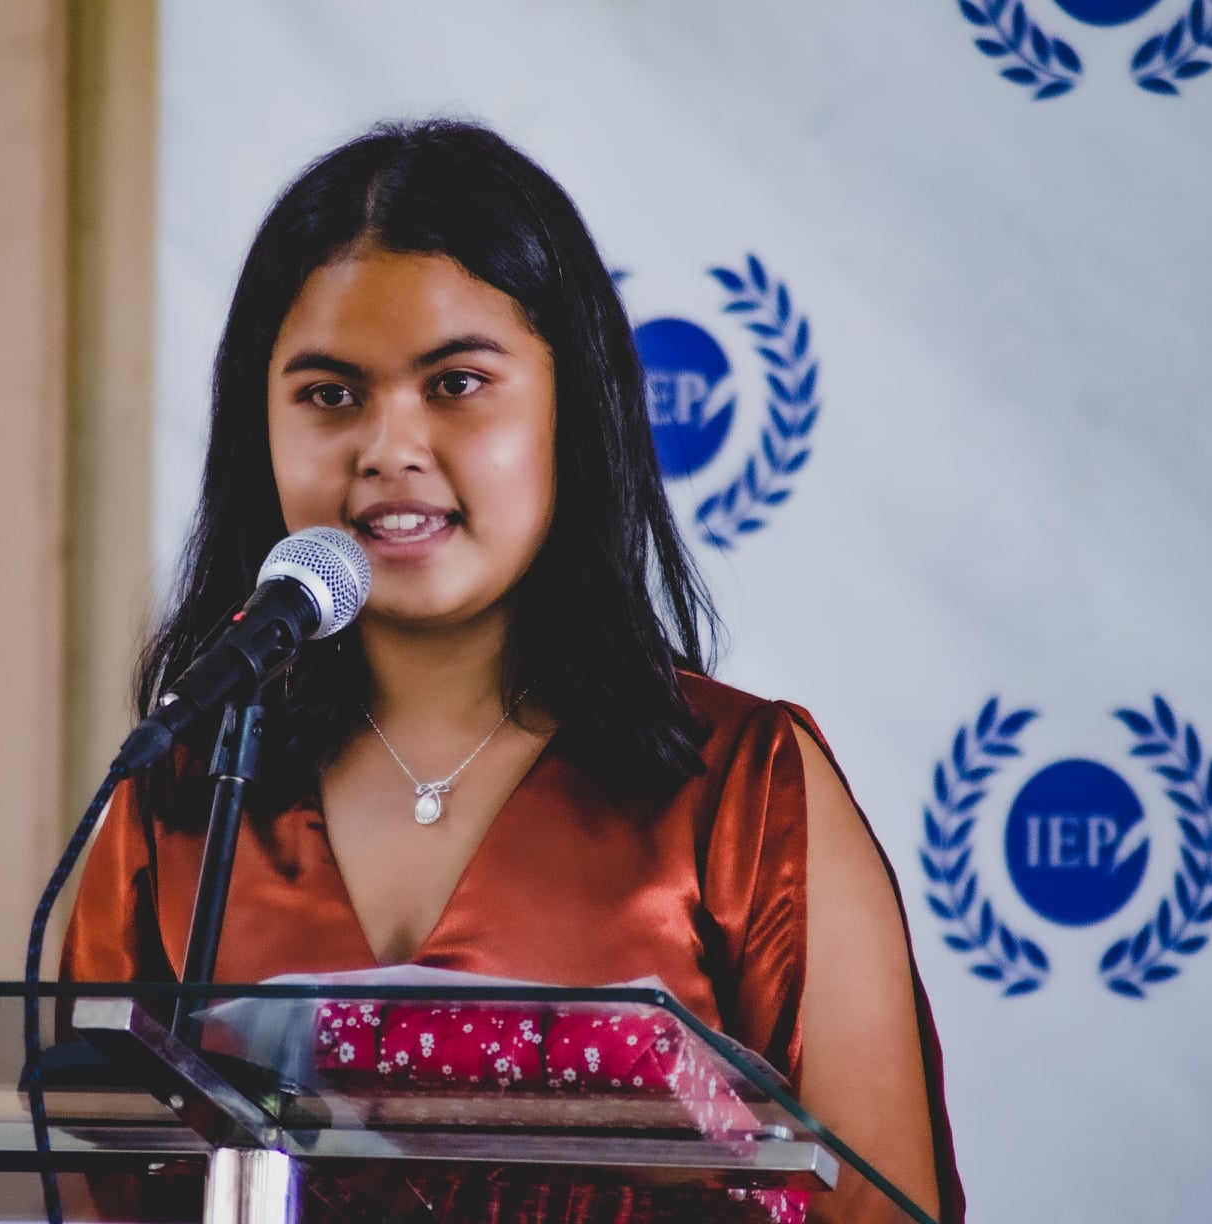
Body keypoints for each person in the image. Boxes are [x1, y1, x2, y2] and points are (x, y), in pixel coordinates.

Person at [62, 120, 964, 1223]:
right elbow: (88, 1190)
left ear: (571, 412)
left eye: (455, 384)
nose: (390, 447)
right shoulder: (173, 802)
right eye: (330, 394)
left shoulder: (746, 792)